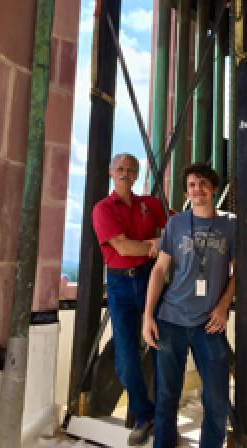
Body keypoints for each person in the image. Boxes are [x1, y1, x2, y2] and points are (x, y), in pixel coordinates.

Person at [143, 162, 236, 448]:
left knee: (217, 398)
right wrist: (148, 316)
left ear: (214, 188)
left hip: (209, 322)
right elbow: (159, 270)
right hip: (171, 320)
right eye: (193, 185)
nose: (198, 190)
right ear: (187, 191)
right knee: (167, 397)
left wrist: (223, 307)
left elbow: (240, 272)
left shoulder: (231, 224)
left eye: (204, 184)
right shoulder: (176, 223)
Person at [92, 153, 167, 446]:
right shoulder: (102, 209)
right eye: (120, 168)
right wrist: (153, 247)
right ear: (111, 172)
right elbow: (121, 248)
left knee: (163, 346)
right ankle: (143, 414)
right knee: (125, 358)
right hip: (120, 285)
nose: (125, 173)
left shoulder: (151, 204)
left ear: (137, 175)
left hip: (152, 279)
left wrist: (160, 243)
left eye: (130, 170)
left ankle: (163, 414)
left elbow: (176, 227)